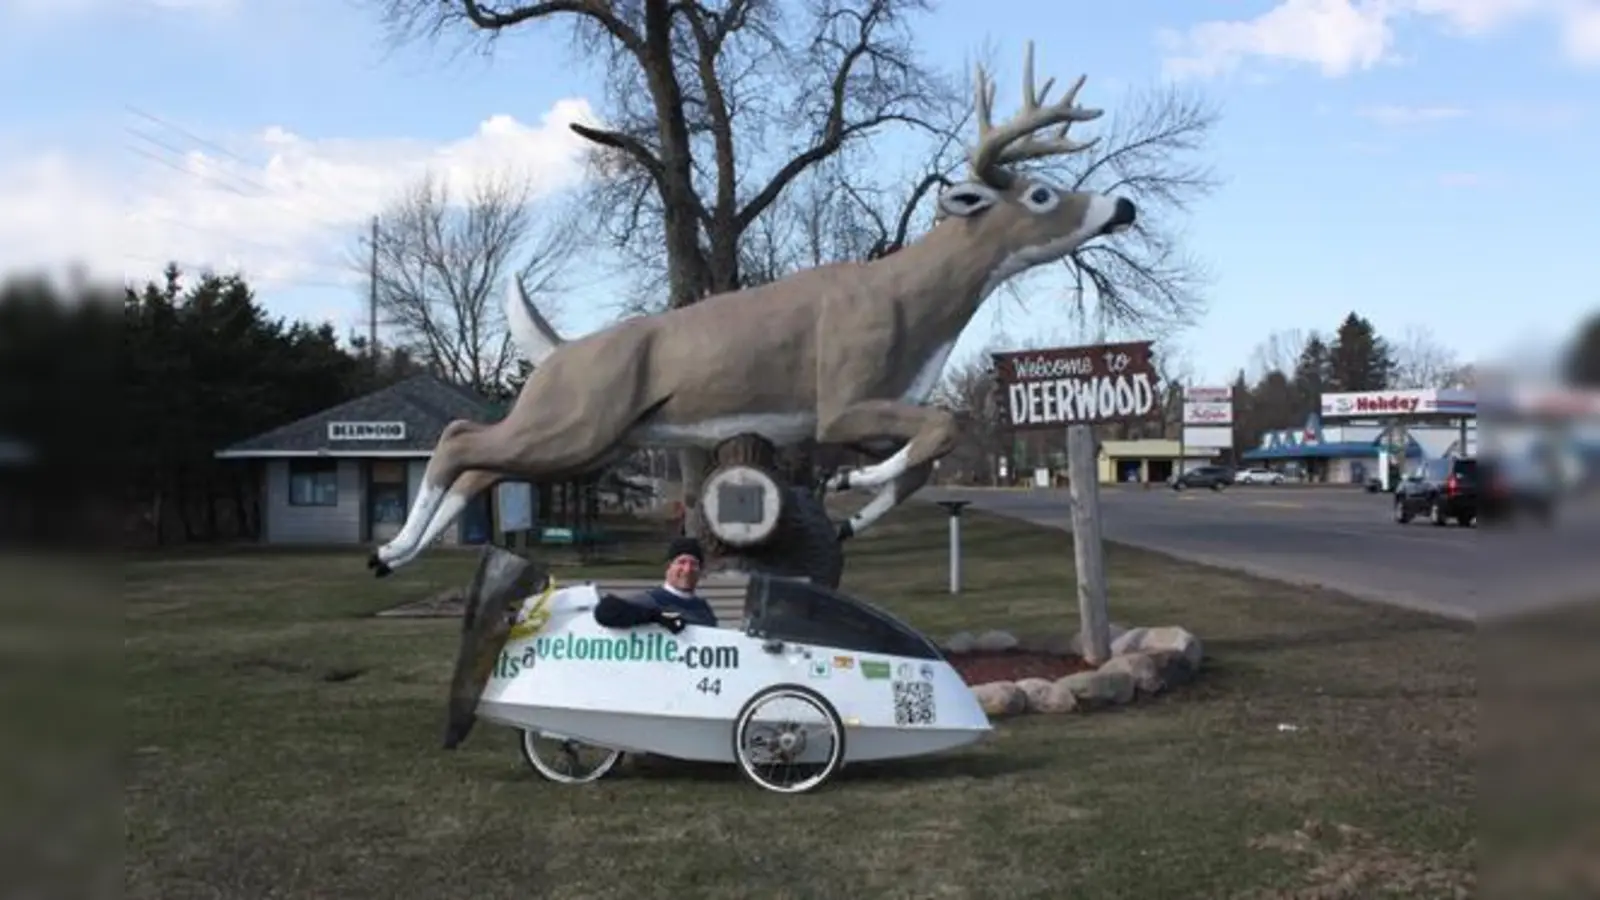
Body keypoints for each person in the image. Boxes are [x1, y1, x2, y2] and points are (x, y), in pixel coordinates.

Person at [593, 535, 718, 633]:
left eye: (693, 564)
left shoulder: (703, 609)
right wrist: (656, 617)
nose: (687, 569)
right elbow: (605, 612)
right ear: (669, 567)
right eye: (681, 562)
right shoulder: (650, 601)